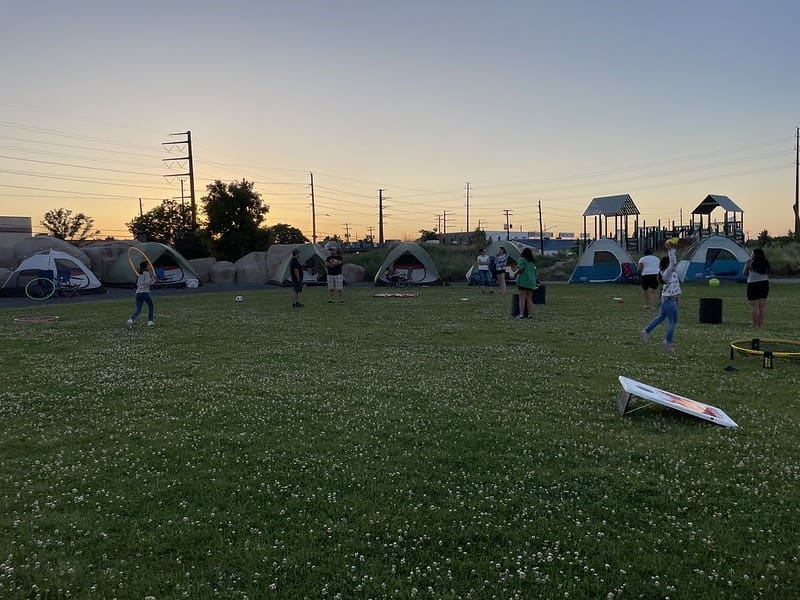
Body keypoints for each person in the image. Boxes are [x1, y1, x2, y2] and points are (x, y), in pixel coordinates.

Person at [641, 239, 681, 352]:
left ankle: (646, 331)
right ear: (667, 265)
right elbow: (673, 263)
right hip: (670, 301)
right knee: (672, 321)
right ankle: (668, 342)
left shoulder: (667, 273)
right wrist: (671, 250)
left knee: (660, 318)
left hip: (666, 299)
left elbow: (673, 264)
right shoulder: (667, 273)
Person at [744, 247, 770, 327]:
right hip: (764, 283)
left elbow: (744, 273)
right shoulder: (766, 263)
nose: (751, 254)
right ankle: (760, 324)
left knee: (755, 306)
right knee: (762, 306)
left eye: (752, 253)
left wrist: (747, 266)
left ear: (755, 255)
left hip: (753, 284)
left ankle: (755, 324)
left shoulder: (750, 263)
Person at [127, 261, 155, 326]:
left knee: (139, 309)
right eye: (148, 265)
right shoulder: (146, 273)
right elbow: (146, 283)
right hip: (144, 293)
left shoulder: (140, 274)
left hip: (138, 293)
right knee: (151, 306)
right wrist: (152, 278)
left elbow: (139, 284)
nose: (150, 266)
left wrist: (152, 281)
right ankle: (150, 321)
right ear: (145, 267)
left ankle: (131, 319)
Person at [514, 247, 538, 319]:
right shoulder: (532, 262)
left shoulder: (522, 259)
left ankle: (521, 315)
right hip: (531, 281)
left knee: (522, 298)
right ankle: (530, 314)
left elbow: (521, 268)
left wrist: (515, 273)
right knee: (529, 298)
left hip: (524, 281)